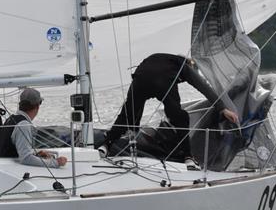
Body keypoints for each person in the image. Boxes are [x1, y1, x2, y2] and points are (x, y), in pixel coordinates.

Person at [103, 53, 240, 156]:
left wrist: (135, 124)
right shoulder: (184, 66)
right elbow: (203, 87)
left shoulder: (161, 59)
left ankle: (106, 145)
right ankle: (188, 156)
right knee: (179, 116)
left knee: (127, 113)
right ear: (189, 64)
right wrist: (223, 109)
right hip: (162, 81)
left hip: (140, 77)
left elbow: (145, 78)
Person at [0, 87, 67, 168]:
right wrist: (55, 162)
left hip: (1, 165)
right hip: (9, 169)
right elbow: (26, 158)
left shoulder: (11, 119)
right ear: (37, 106)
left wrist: (35, 154)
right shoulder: (23, 125)